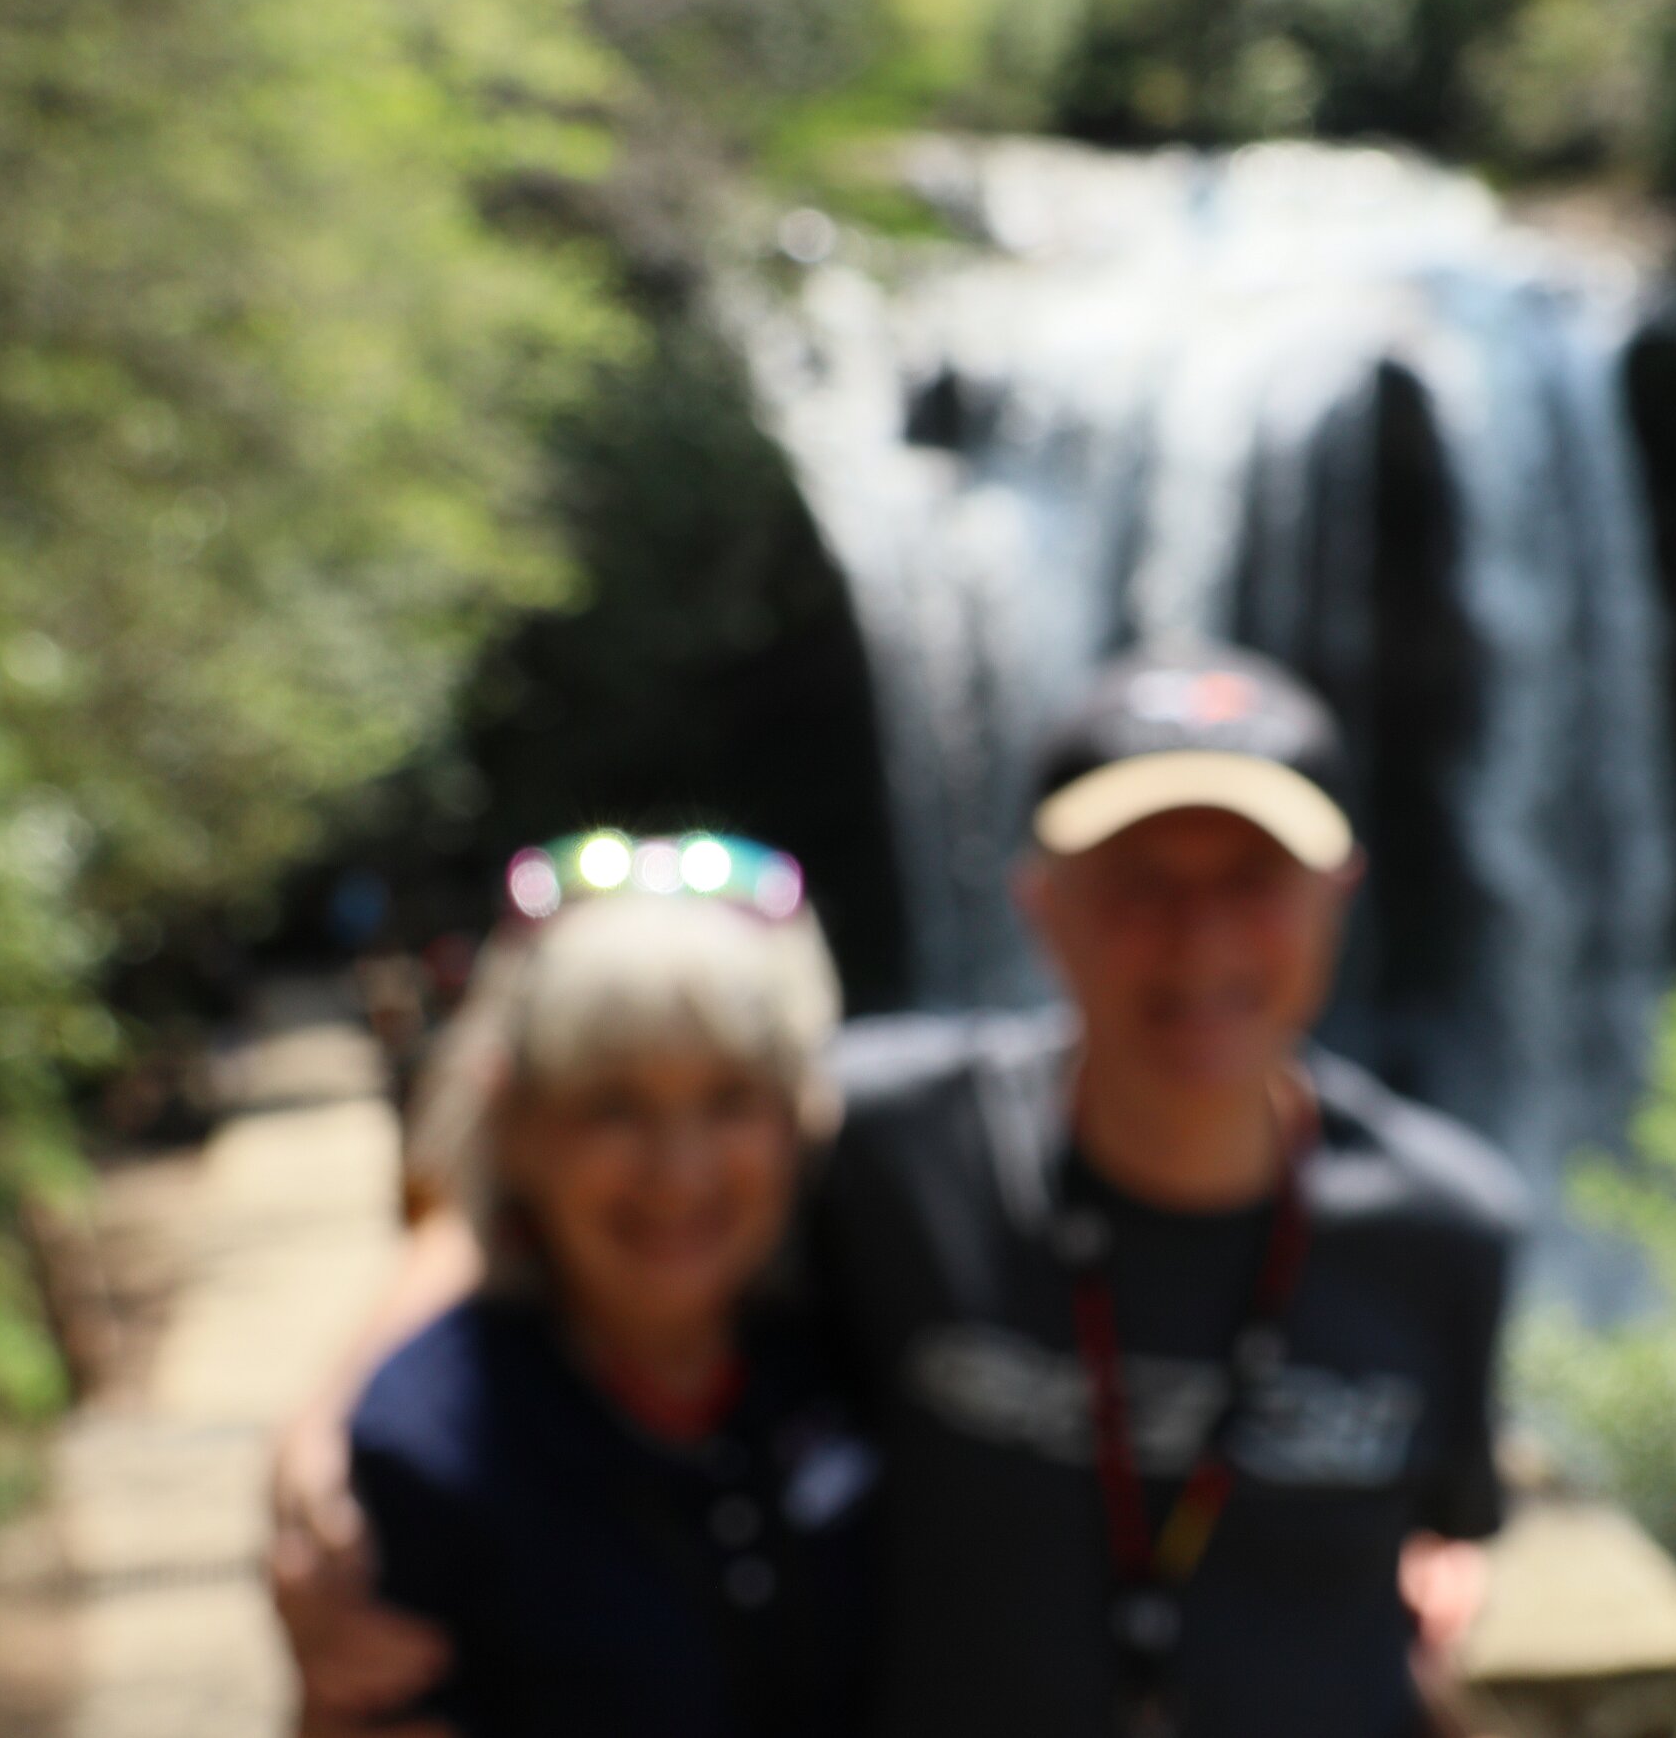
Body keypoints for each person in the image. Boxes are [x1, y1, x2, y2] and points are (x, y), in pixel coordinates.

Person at [275, 644, 1525, 1738]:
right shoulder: (891, 1139)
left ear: (1340, 893)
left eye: (1251, 877)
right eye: (1140, 881)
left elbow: (1442, 1531)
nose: (1199, 936)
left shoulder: (1449, 1228)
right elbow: (570, 1187)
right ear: (1041, 903)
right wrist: (330, 1443)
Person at [335, 835, 875, 1738]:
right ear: (518, 1126)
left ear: (798, 1118)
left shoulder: (869, 1344)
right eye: (612, 1107)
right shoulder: (426, 1446)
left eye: (730, 1099)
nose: (680, 1172)